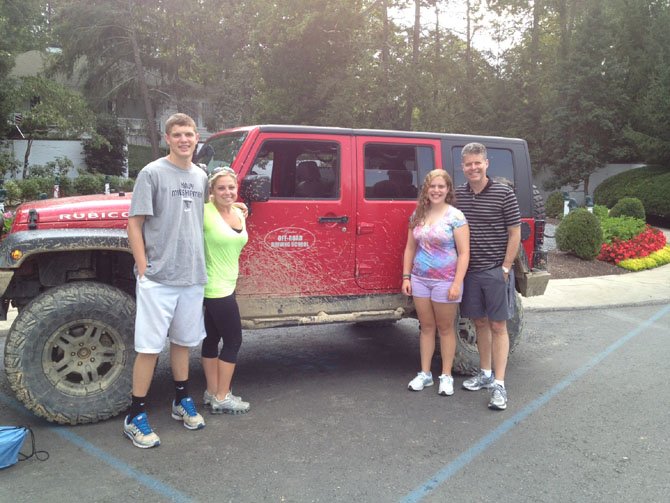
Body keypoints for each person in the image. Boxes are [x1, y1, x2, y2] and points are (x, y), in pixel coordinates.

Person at [123, 113, 208, 448]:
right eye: (177, 135)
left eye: (189, 134)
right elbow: (135, 223)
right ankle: (136, 415)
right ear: (167, 138)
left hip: (192, 275)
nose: (184, 140)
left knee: (183, 343)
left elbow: (199, 216)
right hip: (158, 277)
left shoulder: (201, 176)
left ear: (196, 137)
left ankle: (181, 401)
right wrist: (143, 266)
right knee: (148, 347)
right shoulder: (152, 173)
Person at [455, 142, 521, 411]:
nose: (473, 168)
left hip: (495, 271)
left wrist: (505, 267)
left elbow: (514, 232)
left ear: (486, 164)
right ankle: (484, 374)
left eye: (477, 163)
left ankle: (500, 385)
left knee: (498, 326)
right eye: (468, 164)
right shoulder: (458, 195)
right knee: (480, 323)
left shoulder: (504, 193)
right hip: (470, 272)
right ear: (463, 167)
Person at [402, 169, 470, 396]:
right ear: (426, 189)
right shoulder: (418, 214)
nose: (437, 190)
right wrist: (406, 276)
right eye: (433, 186)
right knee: (426, 328)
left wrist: (456, 283)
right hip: (421, 280)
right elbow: (410, 248)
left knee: (445, 329)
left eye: (441, 186)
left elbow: (464, 253)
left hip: (445, 281)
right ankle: (425, 374)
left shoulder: (455, 216)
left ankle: (446, 376)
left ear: (448, 189)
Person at [201, 166, 251, 414]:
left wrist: (238, 205)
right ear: (211, 191)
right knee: (233, 341)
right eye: (221, 188)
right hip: (215, 287)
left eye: (231, 187)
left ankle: (212, 392)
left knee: (212, 339)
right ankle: (222, 396)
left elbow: (233, 207)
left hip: (227, 285)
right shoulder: (204, 213)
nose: (227, 191)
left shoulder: (238, 212)